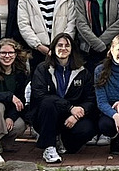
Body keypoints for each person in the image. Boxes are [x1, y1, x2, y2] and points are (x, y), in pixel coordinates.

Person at [30, 33, 98, 163]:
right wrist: (70, 107)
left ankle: (63, 142)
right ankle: (49, 147)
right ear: (53, 48)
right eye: (59, 45)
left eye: (67, 45)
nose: (63, 48)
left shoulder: (82, 71)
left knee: (88, 129)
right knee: (48, 102)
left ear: (72, 49)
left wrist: (76, 113)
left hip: (70, 118)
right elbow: (40, 95)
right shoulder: (42, 69)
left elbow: (90, 99)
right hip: (46, 116)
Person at [18, 0, 74, 70]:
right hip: (37, 51)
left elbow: (71, 22)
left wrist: (62, 44)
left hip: (61, 51)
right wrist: (38, 45)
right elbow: (23, 24)